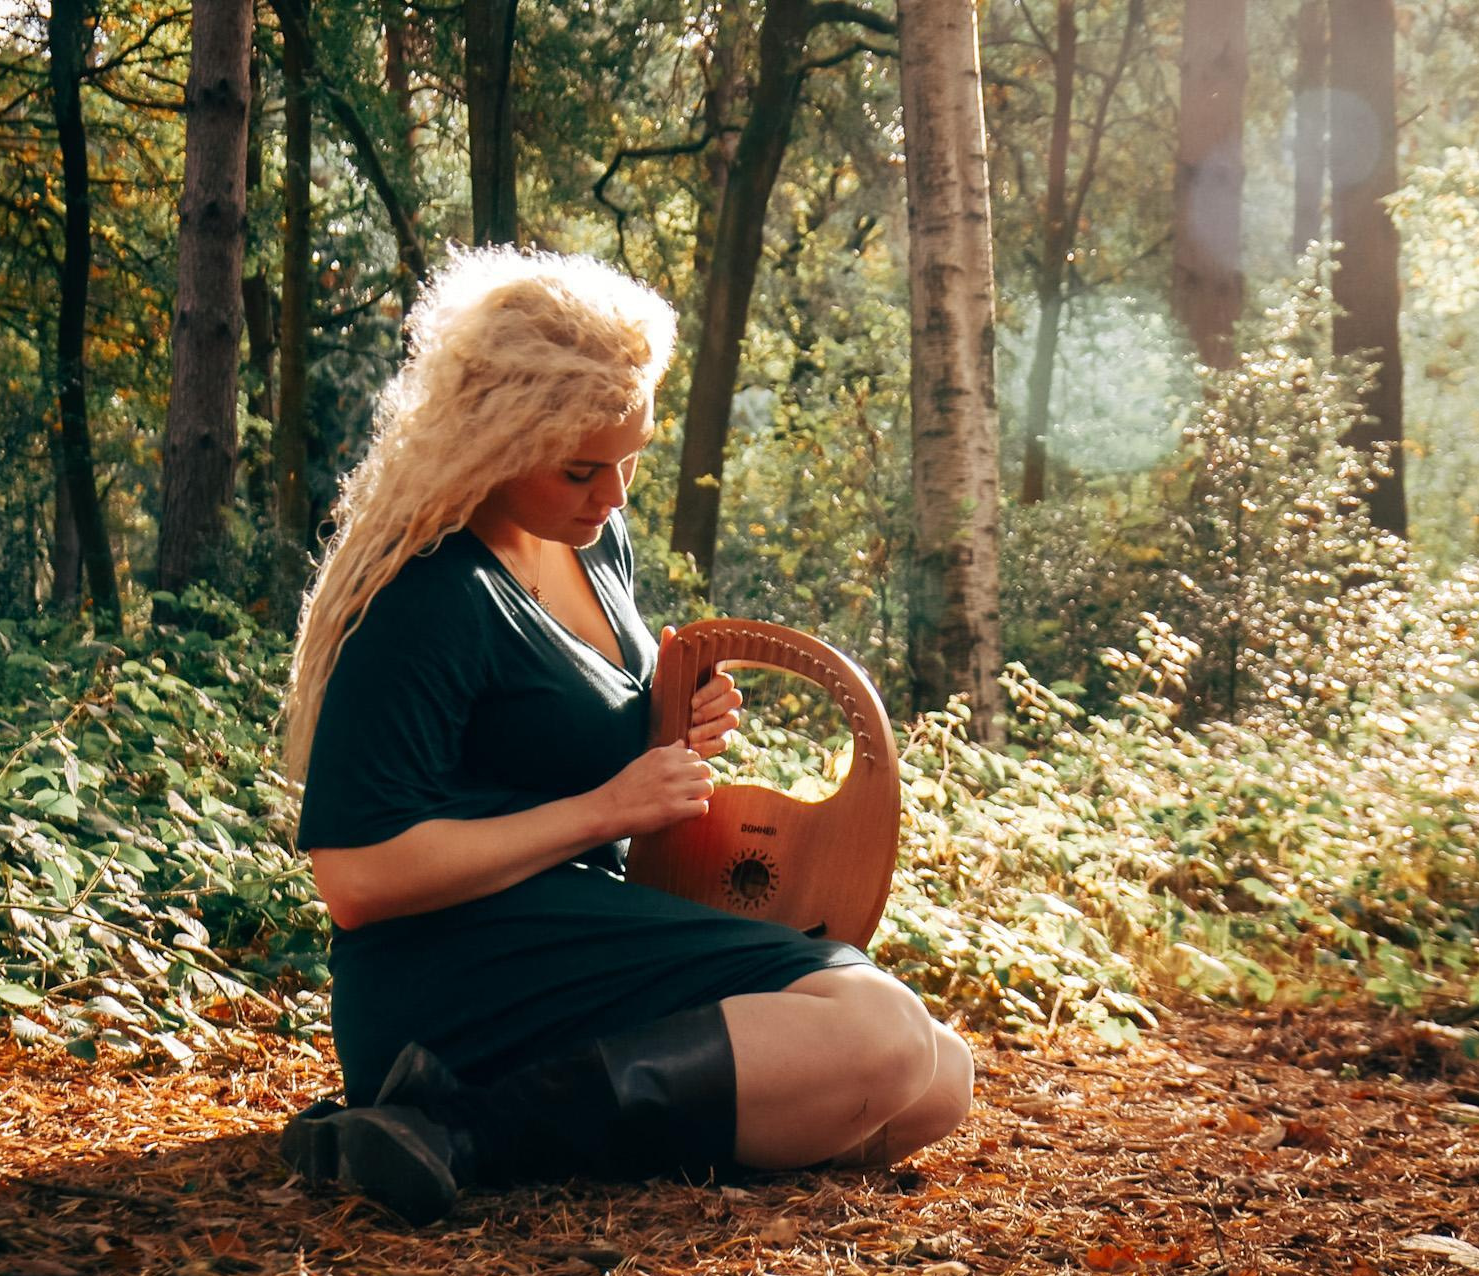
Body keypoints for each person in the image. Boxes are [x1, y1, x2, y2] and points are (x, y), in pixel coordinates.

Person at [276, 246, 971, 1225]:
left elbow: (549, 727)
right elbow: (357, 880)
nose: (612, 496)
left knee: (940, 1080)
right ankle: (457, 1132)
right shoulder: (426, 595)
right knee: (883, 1043)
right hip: (456, 974)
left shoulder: (591, 540)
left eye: (630, 458)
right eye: (580, 470)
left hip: (582, 929)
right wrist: (600, 809)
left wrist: (665, 720)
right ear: (491, 436)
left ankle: (496, 1120)